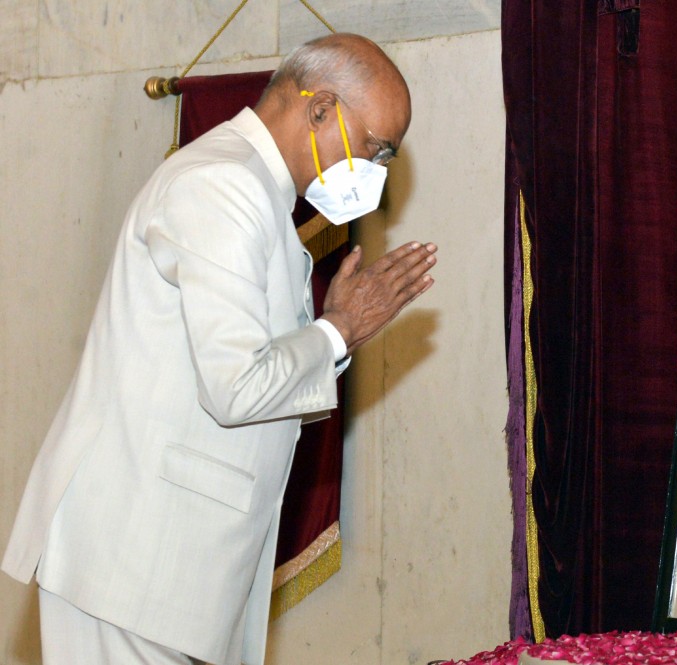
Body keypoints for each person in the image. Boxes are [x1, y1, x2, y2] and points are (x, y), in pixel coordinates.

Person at [2, 34, 435, 665]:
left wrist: (338, 334)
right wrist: (337, 328)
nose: (376, 172)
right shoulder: (223, 187)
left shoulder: (254, 192)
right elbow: (237, 386)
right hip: (130, 564)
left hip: (165, 568)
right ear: (320, 110)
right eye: (375, 149)